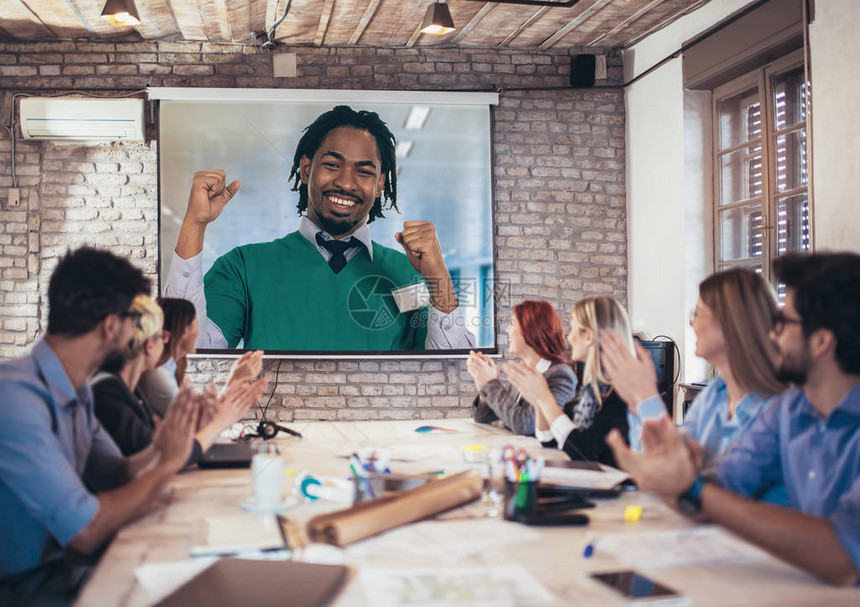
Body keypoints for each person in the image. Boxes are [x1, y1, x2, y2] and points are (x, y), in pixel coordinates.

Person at [606, 252, 860, 586]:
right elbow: (724, 483)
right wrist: (675, 477)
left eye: (783, 323)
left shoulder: (777, 403)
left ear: (823, 341)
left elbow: (845, 556)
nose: (773, 333)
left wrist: (687, 485)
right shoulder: (789, 410)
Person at [163, 105, 475, 351]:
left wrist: (439, 279)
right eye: (332, 165)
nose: (346, 182)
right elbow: (191, 349)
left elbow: (451, 370)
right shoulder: (243, 267)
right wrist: (194, 225)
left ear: (380, 185)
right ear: (306, 168)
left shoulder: (409, 279)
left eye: (364, 171)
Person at [0, 247, 201, 605]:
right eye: (133, 320)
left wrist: (161, 447)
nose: (139, 334)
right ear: (111, 326)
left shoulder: (77, 389)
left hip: (68, 569)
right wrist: (168, 463)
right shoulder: (16, 401)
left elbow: (115, 472)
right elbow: (88, 530)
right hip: (27, 589)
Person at [603, 268, 786, 467]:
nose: (691, 323)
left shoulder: (776, 409)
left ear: (730, 323)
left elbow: (675, 471)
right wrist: (635, 401)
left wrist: (646, 395)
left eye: (697, 313)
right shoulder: (716, 393)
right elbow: (657, 464)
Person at [91, 294, 266, 461]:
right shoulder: (149, 379)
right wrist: (221, 415)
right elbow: (170, 452)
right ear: (149, 344)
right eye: (162, 337)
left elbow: (164, 449)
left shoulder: (134, 389)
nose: (164, 342)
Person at [505, 296, 634, 466]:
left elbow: (582, 450)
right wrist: (539, 403)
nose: (569, 338)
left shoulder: (619, 392)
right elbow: (549, 441)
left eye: (573, 329)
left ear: (589, 336)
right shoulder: (592, 390)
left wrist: (545, 398)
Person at [138, 297, 262, 417]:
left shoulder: (170, 367)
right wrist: (235, 381)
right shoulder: (159, 376)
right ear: (185, 331)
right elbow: (198, 423)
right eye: (197, 322)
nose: (200, 331)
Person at [468, 300, 576, 436]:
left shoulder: (560, 374)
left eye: (512, 323)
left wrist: (491, 384)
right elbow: (482, 417)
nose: (507, 330)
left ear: (531, 330)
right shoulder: (525, 370)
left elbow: (525, 425)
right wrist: (484, 385)